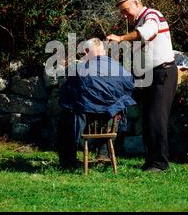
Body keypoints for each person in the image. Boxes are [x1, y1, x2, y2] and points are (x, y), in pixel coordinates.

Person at [106, 0, 177, 172]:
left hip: (163, 73)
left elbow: (147, 33)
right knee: (148, 119)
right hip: (150, 75)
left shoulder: (152, 15)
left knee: (156, 118)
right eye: (122, 12)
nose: (124, 15)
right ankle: (152, 160)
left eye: (126, 10)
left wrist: (121, 38)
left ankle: (160, 163)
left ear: (137, 4)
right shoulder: (140, 21)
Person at [57, 38, 136, 169]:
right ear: (104, 52)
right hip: (109, 123)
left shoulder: (79, 70)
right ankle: (103, 155)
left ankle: (68, 162)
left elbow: (66, 97)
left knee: (65, 118)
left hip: (85, 123)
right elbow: (129, 88)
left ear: (87, 51)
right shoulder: (119, 69)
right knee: (116, 110)